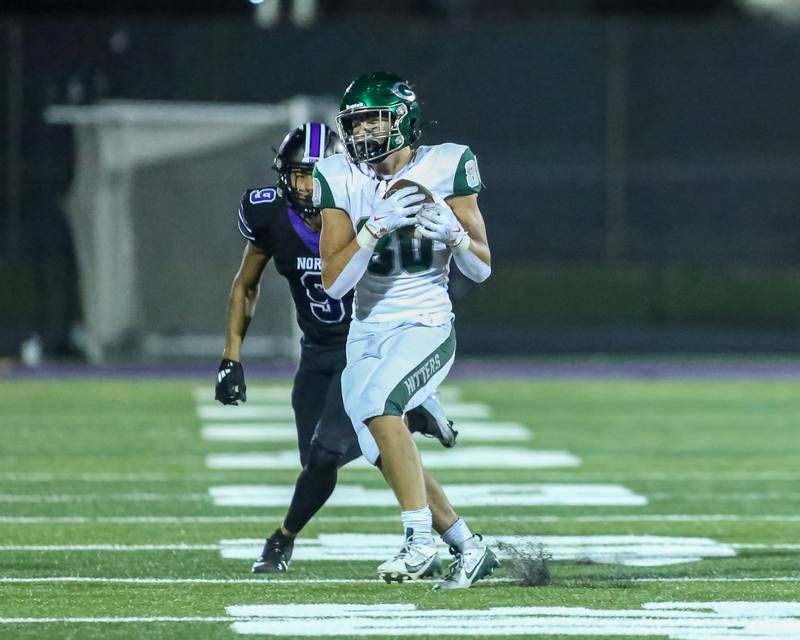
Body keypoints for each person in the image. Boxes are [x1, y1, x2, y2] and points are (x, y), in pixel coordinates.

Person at [214, 122, 458, 574]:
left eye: (314, 174)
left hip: (365, 349)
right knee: (327, 460)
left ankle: (281, 539)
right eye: (298, 175)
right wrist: (232, 357)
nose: (306, 186)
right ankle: (462, 537)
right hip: (316, 353)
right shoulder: (268, 213)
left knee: (335, 448)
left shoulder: (360, 204)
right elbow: (245, 285)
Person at [315, 72, 498, 589]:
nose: (364, 133)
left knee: (377, 405)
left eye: (376, 120)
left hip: (425, 321)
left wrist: (457, 236)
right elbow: (332, 283)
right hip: (367, 329)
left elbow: (482, 269)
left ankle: (419, 540)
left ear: (404, 120)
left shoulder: (448, 163)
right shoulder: (336, 174)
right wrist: (373, 228)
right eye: (356, 123)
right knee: (382, 452)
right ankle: (468, 545)